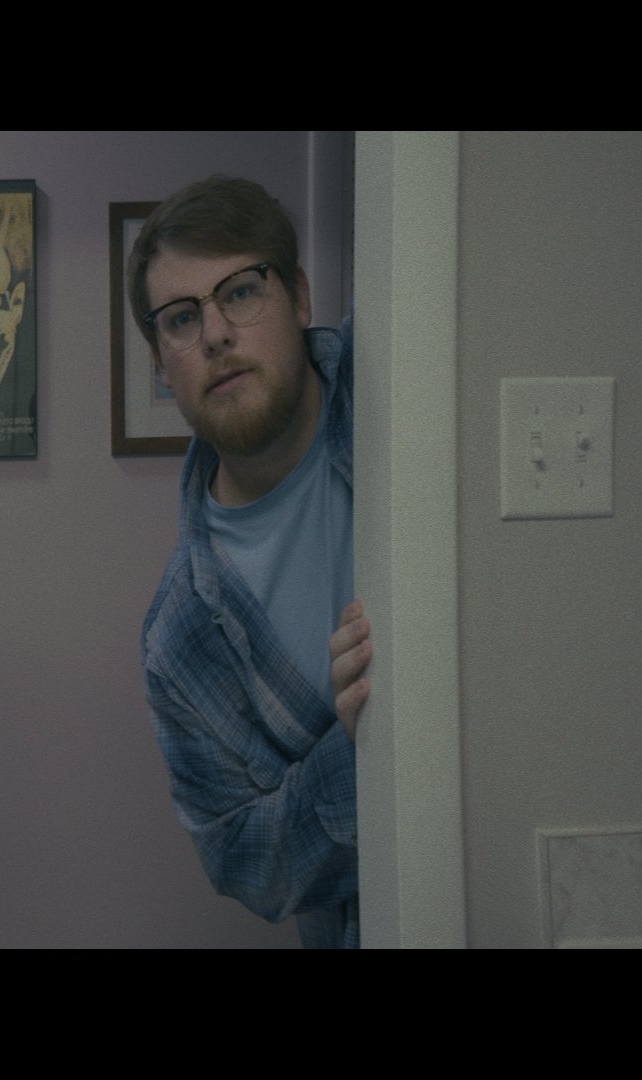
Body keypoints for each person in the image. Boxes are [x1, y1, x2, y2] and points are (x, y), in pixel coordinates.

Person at [132, 176, 372, 948]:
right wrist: (361, 743)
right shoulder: (180, 641)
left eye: (240, 291)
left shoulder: (402, 384)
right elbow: (247, 864)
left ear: (299, 296)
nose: (214, 335)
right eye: (181, 318)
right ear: (162, 364)